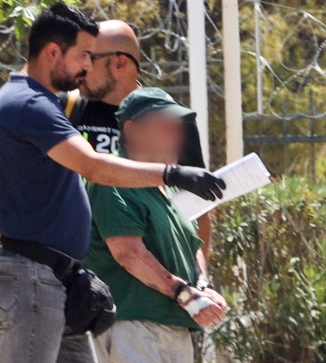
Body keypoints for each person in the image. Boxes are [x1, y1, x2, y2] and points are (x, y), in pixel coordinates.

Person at [0, 3, 226, 363]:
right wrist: (172, 174)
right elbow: (94, 166)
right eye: (83, 55)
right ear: (53, 53)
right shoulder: (29, 104)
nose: (85, 67)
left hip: (60, 280)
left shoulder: (39, 102)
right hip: (34, 277)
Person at [84, 88, 228, 363]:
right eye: (166, 127)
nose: (177, 135)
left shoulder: (168, 188)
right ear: (132, 130)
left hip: (173, 326)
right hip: (130, 330)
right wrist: (183, 293)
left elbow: (191, 247)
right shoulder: (112, 180)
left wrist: (202, 285)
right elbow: (129, 254)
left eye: (178, 127)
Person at [59, 20, 214, 258]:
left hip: (147, 262)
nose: (82, 67)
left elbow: (197, 203)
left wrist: (198, 274)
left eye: (90, 58)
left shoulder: (170, 118)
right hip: (77, 259)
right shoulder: (65, 107)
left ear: (120, 63)